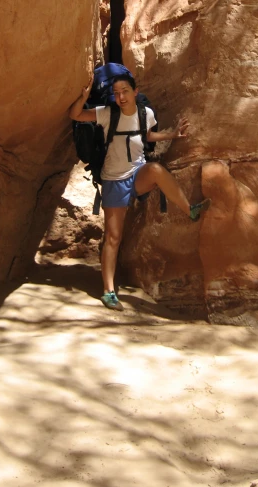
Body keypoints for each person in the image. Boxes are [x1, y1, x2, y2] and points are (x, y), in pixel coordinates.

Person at [69, 73, 211, 311]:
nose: (120, 97)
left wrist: (172, 135)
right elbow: (75, 115)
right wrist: (83, 97)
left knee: (155, 170)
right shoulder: (107, 113)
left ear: (135, 92)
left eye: (124, 91)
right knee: (114, 238)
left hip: (136, 174)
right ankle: (109, 291)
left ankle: (191, 210)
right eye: (116, 93)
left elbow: (146, 136)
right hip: (114, 181)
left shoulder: (146, 114)